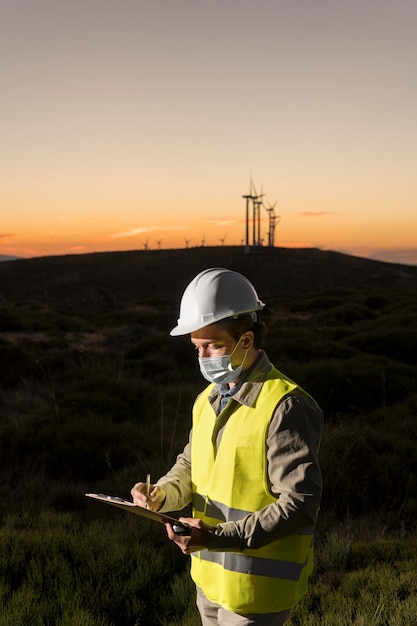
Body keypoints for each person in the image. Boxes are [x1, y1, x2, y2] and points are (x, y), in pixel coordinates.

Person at [131, 268, 323, 626]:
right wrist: (161, 494)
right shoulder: (206, 400)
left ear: (246, 340)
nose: (203, 356)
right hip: (209, 581)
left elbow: (299, 505)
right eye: (196, 347)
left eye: (213, 345)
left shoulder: (285, 406)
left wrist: (218, 537)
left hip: (256, 591)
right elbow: (190, 466)